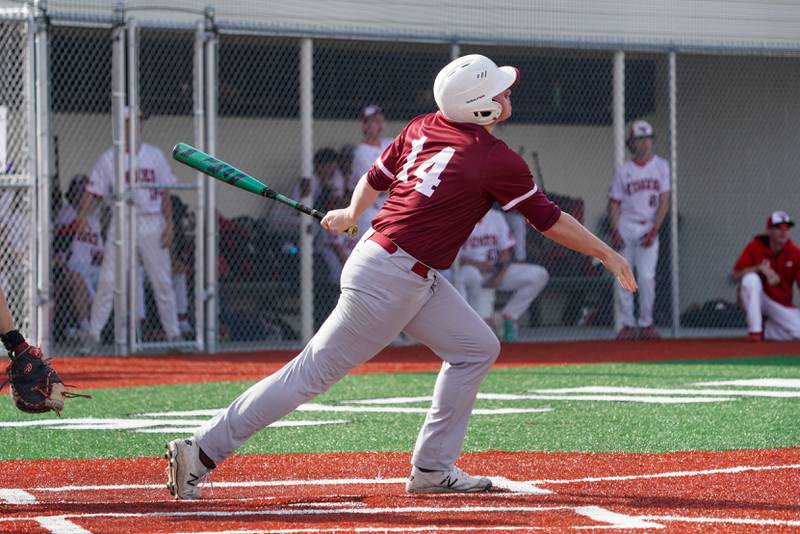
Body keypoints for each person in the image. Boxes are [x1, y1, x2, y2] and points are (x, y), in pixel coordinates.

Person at [165, 54, 636, 500]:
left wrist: (352, 211)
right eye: (500, 90)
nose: (508, 94)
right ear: (480, 105)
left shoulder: (423, 126)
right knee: (309, 374)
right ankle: (201, 450)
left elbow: (376, 176)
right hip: (388, 278)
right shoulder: (495, 158)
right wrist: (607, 254)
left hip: (406, 271)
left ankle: (432, 468)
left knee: (476, 348)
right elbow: (548, 220)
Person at [74, 106, 182, 347]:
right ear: (120, 126)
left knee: (162, 280)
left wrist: (170, 223)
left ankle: (174, 335)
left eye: (138, 122)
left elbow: (165, 193)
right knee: (108, 280)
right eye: (131, 122)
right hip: (122, 219)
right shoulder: (109, 158)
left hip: (152, 220)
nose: (136, 126)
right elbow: (93, 191)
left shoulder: (154, 155)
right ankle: (94, 334)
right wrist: (82, 216)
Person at [607, 119, 670, 340]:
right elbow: (614, 202)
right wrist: (615, 230)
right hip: (626, 225)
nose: (644, 144)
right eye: (639, 139)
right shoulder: (624, 170)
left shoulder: (661, 166)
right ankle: (627, 323)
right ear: (631, 143)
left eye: (647, 138)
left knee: (646, 277)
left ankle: (646, 322)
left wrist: (655, 229)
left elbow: (664, 201)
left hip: (648, 226)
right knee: (623, 275)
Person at [456, 208, 549, 341]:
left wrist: (500, 274)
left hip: (494, 271)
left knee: (539, 274)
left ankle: (507, 315)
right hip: (470, 271)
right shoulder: (458, 217)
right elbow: (455, 258)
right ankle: (464, 323)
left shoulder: (495, 217)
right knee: (466, 276)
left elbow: (505, 252)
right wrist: (478, 264)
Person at [733, 211, 800, 341]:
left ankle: (766, 330)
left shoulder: (795, 253)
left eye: (786, 228)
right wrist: (759, 268)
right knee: (750, 279)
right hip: (759, 299)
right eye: (778, 228)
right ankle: (755, 330)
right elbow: (736, 275)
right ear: (768, 231)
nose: (783, 232)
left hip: (781, 304)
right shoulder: (755, 246)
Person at [54, 174, 104, 340]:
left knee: (110, 281)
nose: (85, 197)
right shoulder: (66, 213)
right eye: (82, 193)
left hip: (93, 267)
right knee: (84, 284)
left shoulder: (94, 220)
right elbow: (60, 242)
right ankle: (86, 328)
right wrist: (79, 219)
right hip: (72, 266)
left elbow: (99, 252)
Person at [350, 104, 392, 241]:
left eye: (381, 120)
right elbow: (375, 188)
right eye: (374, 121)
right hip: (370, 210)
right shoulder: (361, 152)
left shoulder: (389, 143)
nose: (380, 124)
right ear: (364, 125)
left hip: (390, 207)